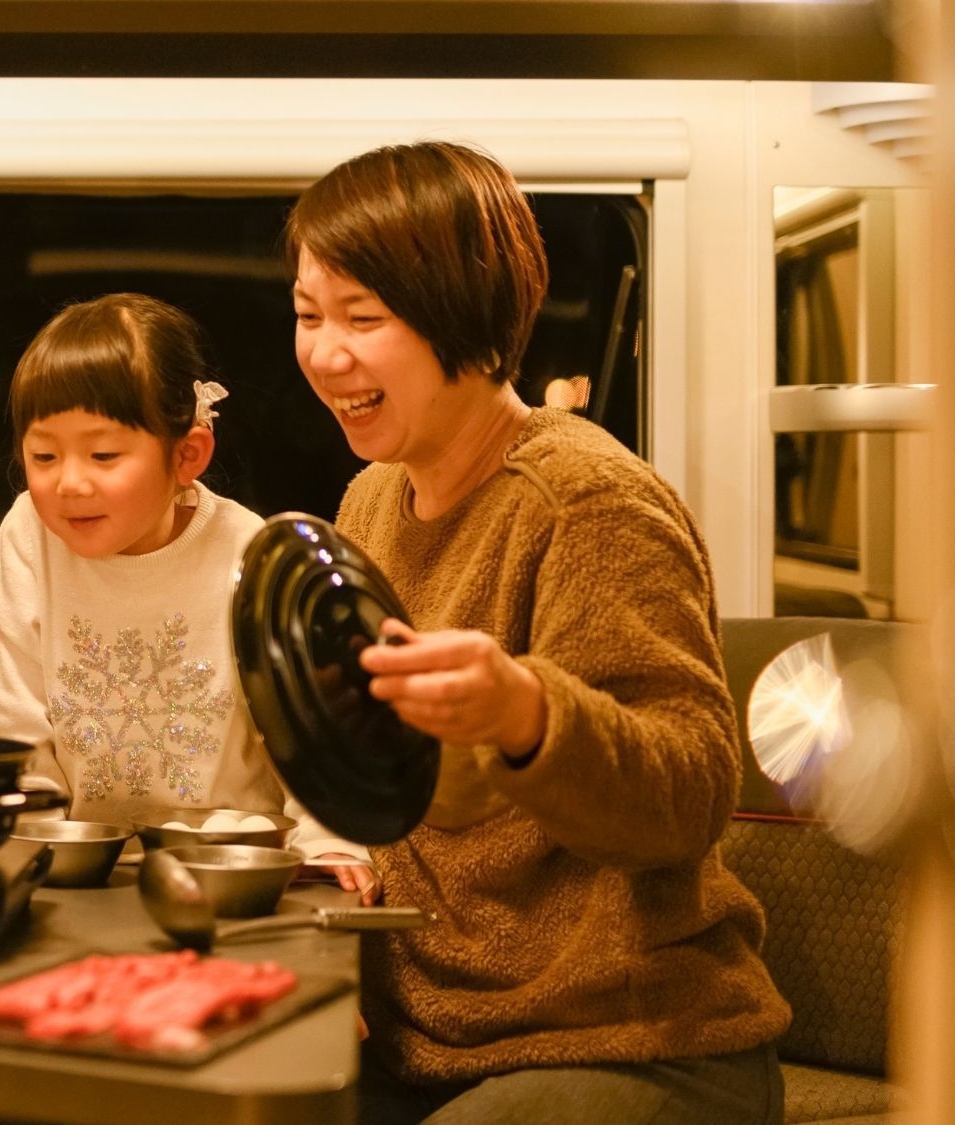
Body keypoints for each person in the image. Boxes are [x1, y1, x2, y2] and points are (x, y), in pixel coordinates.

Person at [288, 141, 790, 1124]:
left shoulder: (584, 502)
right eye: (307, 314)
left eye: (362, 317)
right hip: (430, 1038)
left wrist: (526, 713)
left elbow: (688, 793)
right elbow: (384, 788)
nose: (322, 353)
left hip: (639, 1046)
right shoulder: (370, 502)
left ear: (460, 315)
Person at [0, 293, 367, 875]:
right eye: (44, 455)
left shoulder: (251, 554)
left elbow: (310, 733)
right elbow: (18, 727)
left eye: (103, 453)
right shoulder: (27, 535)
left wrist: (327, 844)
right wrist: (41, 848)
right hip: (83, 868)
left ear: (187, 454)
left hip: (233, 865)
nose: (69, 482)